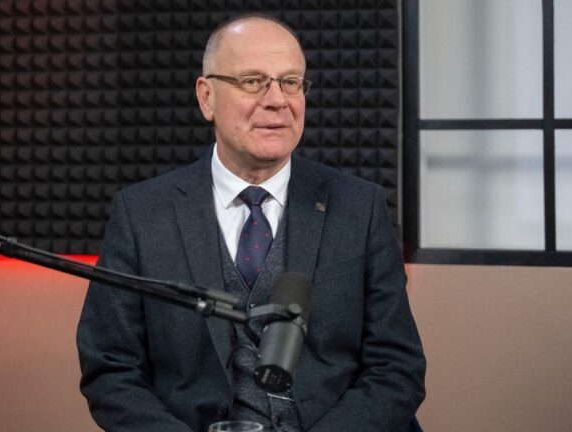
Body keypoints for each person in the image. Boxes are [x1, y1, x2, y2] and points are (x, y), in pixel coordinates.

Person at [77, 13, 426, 432]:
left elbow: (397, 366)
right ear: (207, 97)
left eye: (291, 82)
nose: (277, 100)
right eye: (253, 81)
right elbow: (111, 370)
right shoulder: (142, 214)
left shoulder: (359, 207)